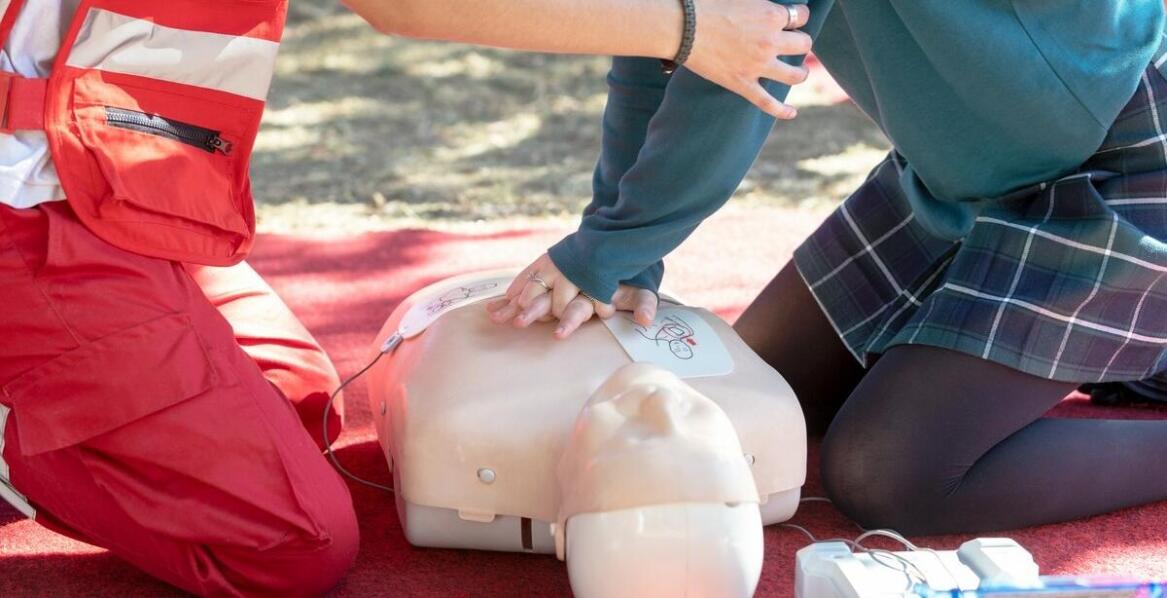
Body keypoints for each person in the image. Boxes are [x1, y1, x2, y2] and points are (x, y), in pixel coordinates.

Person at [0, 0, 811, 595]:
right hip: (23, 214)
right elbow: (400, 3)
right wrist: (688, 28)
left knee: (299, 402)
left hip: (110, 195)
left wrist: (623, 239)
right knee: (292, 544)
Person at [491, 1, 1167, 535]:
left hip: (1127, 149)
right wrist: (626, 249)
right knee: (751, 401)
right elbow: (675, 39)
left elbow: (751, 55)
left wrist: (608, 249)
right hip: (966, 172)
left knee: (889, 473)